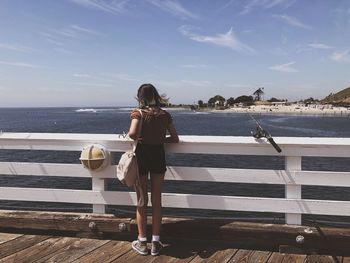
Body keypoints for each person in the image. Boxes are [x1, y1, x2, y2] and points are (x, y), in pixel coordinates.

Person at [128, 83, 179, 256]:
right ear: (156, 96)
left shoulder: (139, 113)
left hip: (142, 157)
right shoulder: (165, 115)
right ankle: (156, 242)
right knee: (157, 201)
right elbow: (175, 138)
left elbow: (132, 133)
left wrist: (144, 137)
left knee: (142, 200)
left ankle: (142, 243)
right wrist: (158, 139)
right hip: (158, 156)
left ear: (141, 97)